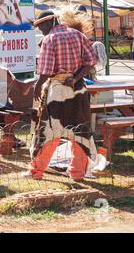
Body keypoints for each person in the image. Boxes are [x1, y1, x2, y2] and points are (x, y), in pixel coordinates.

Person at [22, 10, 98, 182]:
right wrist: (76, 77)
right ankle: (77, 173)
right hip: (78, 90)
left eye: (41, 26)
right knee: (79, 133)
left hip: (56, 91)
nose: (41, 30)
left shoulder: (50, 39)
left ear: (51, 22)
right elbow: (91, 60)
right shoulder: (77, 35)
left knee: (49, 132)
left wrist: (37, 88)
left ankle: (36, 171)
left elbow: (45, 71)